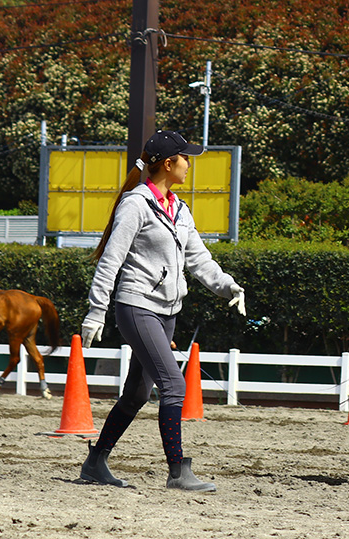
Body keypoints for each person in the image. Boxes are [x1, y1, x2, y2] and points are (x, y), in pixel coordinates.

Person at [77, 130, 246, 493]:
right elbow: (111, 261)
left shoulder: (180, 209)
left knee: (138, 394)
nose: (189, 163)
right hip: (136, 305)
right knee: (174, 384)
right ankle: (178, 471)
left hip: (167, 312)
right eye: (185, 158)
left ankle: (95, 462)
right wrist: (96, 311)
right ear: (168, 164)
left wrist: (227, 285)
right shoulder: (136, 205)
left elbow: (200, 260)